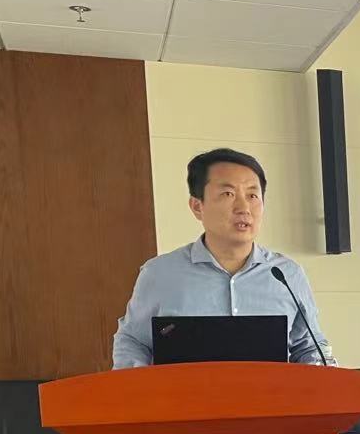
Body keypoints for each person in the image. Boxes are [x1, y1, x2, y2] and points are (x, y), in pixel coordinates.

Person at [111, 147, 334, 368]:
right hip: (184, 393)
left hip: (268, 393)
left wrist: (326, 377)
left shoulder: (286, 274)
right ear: (197, 206)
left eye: (252, 195)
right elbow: (134, 341)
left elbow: (309, 347)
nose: (244, 208)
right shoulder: (161, 273)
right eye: (228, 194)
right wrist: (136, 387)